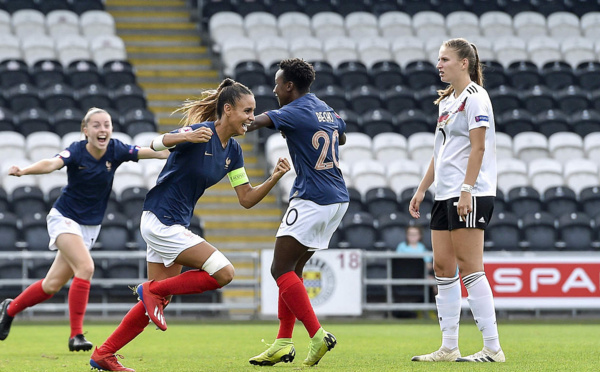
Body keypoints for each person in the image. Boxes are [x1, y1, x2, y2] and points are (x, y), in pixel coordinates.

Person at [89, 78, 291, 372]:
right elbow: (156, 143)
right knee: (224, 273)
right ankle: (152, 291)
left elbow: (245, 198)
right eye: (247, 111)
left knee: (162, 297)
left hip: (170, 223)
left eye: (253, 112)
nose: (251, 118)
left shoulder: (233, 152)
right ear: (228, 109)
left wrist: (273, 178)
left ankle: (104, 354)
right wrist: (184, 137)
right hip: (161, 219)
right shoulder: (201, 132)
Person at [0, 107, 168, 352]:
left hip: (90, 226)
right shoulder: (77, 151)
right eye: (97, 125)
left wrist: (172, 152)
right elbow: (51, 164)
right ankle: (76, 335)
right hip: (64, 218)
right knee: (86, 267)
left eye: (107, 125)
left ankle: (9, 308)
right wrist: (24, 170)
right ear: (85, 130)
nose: (103, 130)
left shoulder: (116, 149)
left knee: (51, 285)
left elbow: (147, 152)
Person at [245, 58, 349, 368]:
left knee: (279, 269)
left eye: (277, 84)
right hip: (337, 198)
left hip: (312, 198)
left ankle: (317, 335)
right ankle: (283, 343)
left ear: (290, 86)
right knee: (294, 271)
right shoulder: (325, 109)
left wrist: (229, 113)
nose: (275, 90)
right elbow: (340, 134)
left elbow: (251, 124)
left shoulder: (292, 110)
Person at [409, 38, 504, 363]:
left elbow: (478, 148)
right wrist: (423, 189)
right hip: (444, 194)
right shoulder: (448, 101)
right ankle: (449, 346)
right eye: (439, 59)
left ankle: (493, 348)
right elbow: (441, 152)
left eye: (445, 59)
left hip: (471, 193)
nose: (439, 64)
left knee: (470, 268)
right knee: (443, 267)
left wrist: (466, 188)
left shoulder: (477, 98)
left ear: (464, 62)